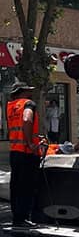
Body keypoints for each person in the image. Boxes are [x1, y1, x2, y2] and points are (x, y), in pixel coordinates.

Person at [6, 82, 46, 228]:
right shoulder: (29, 104)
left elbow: (19, 126)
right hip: (27, 153)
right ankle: (23, 218)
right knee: (27, 187)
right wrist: (31, 142)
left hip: (15, 151)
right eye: (28, 90)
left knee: (16, 186)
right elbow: (26, 120)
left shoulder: (10, 106)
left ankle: (17, 218)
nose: (30, 93)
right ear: (23, 92)